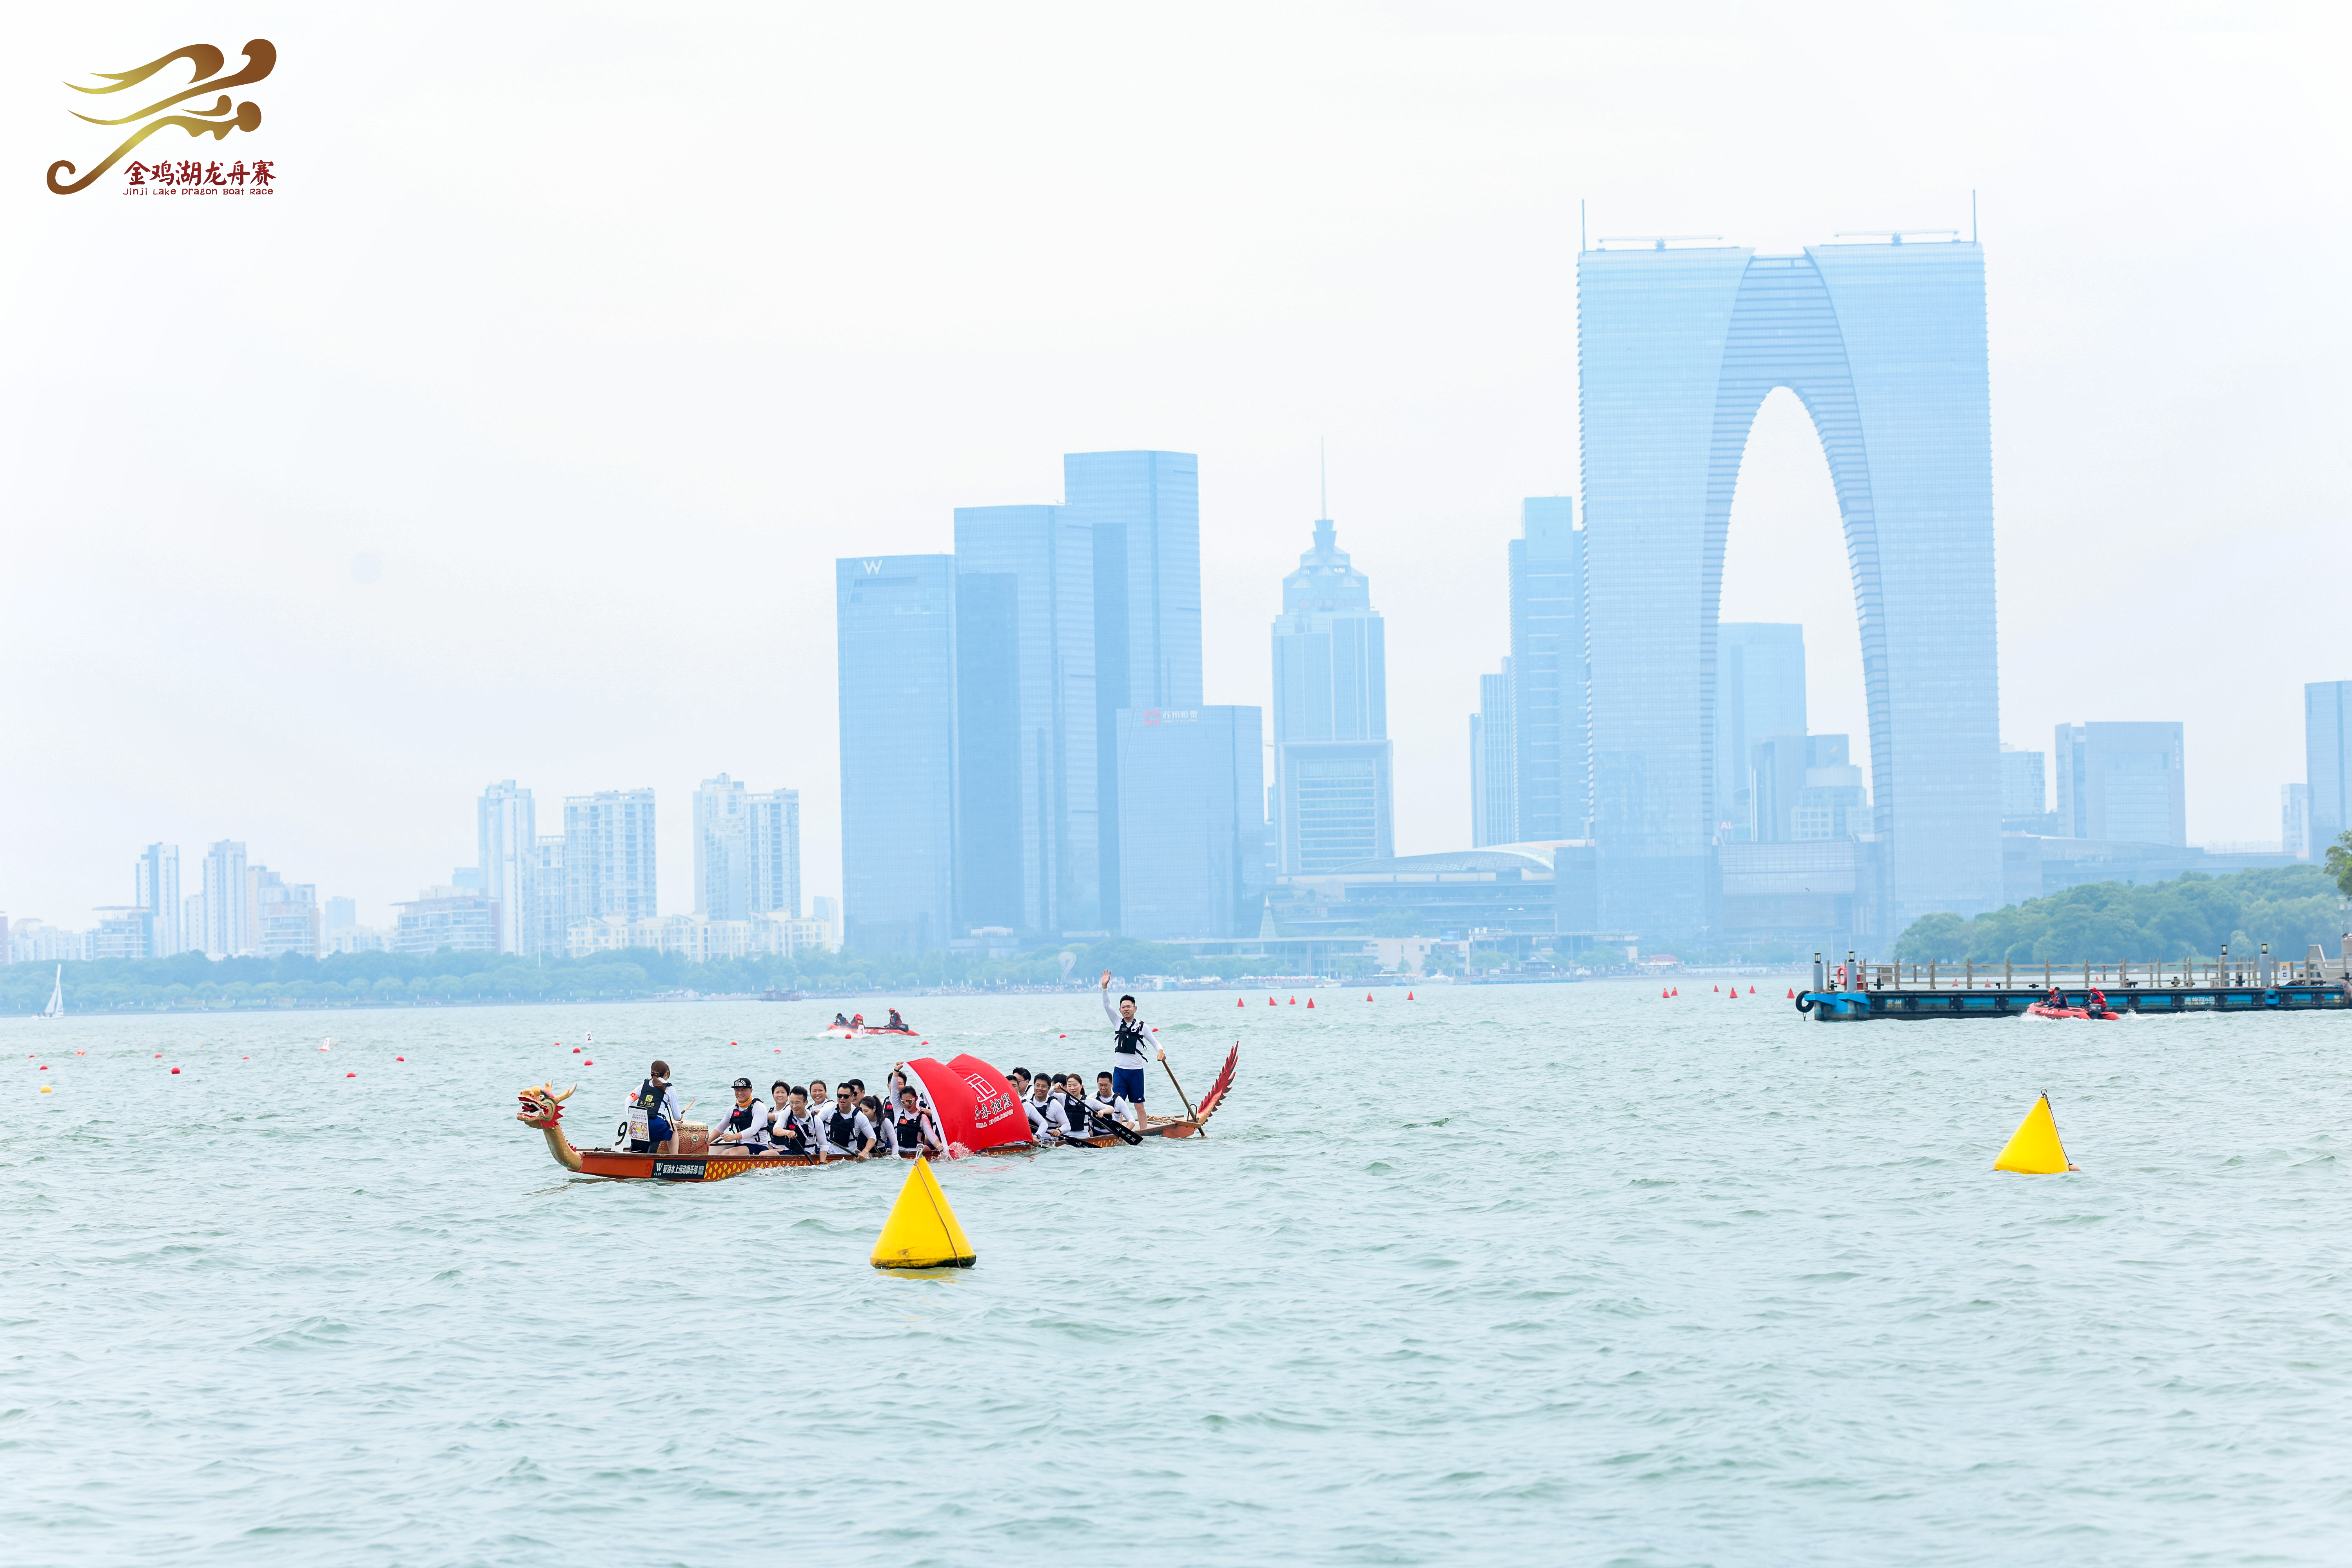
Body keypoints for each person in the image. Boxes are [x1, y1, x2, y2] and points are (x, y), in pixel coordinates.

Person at [1100, 971, 1164, 1134]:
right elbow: (1107, 1005)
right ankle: (1117, 1133)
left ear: (1135, 1008)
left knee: (1139, 1105)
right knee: (1118, 1105)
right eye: (1123, 1007)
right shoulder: (1117, 1021)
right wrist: (1105, 987)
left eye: (1129, 1007)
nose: (1126, 1009)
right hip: (1120, 1071)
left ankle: (1144, 1132)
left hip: (1136, 1072)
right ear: (1120, 1010)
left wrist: (1161, 1052)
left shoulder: (1142, 1027)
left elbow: (1156, 1043)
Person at [628, 1060, 682, 1154]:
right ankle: (674, 1158)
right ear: (667, 1073)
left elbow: (628, 1101)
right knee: (673, 1130)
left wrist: (630, 1121)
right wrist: (681, 1116)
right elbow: (677, 1117)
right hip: (656, 1126)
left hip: (639, 1126)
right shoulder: (670, 1089)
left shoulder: (643, 1086)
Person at [708, 1077, 767, 1152]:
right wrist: (707, 1142)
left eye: (743, 1090)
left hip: (759, 1146)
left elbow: (754, 1130)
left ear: (751, 1091)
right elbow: (721, 1127)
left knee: (733, 1152)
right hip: (741, 1145)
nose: (740, 1093)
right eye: (737, 1090)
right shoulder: (732, 1109)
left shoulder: (759, 1107)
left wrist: (733, 1137)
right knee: (723, 1153)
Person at [820, 1086, 877, 1159]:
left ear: (852, 1097)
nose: (842, 1099)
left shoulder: (860, 1117)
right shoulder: (830, 1110)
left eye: (846, 1096)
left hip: (849, 1156)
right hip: (829, 1153)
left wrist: (865, 1152)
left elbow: (872, 1137)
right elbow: (814, 1123)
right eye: (840, 1096)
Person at [889, 1087, 945, 1160]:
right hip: (898, 1156)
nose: (907, 1104)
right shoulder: (899, 1112)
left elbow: (932, 1137)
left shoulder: (923, 1118)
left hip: (916, 1156)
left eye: (911, 1101)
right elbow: (894, 1089)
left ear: (916, 1099)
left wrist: (943, 1151)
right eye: (904, 1102)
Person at [770, 1085, 817, 1157]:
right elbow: (776, 1131)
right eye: (792, 1103)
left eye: (797, 1103)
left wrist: (822, 1163)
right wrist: (787, 1132)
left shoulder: (815, 1119)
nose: (794, 1106)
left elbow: (823, 1145)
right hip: (790, 1151)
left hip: (807, 1153)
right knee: (764, 1154)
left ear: (806, 1103)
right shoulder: (787, 1112)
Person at [1027, 1074, 1068, 1144]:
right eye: (1038, 1086)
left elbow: (1067, 1125)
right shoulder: (1026, 1101)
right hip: (1029, 1140)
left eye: (1044, 1087)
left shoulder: (1055, 1104)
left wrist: (1059, 1131)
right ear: (1034, 1086)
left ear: (1049, 1088)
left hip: (1049, 1141)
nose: (1040, 1089)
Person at [1087, 1071, 1125, 1137]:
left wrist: (1123, 1135)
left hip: (1113, 1133)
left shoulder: (1119, 1100)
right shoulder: (1092, 1097)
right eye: (1100, 1085)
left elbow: (1131, 1120)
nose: (1103, 1088)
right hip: (1094, 1131)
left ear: (1112, 1084)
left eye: (1106, 1085)